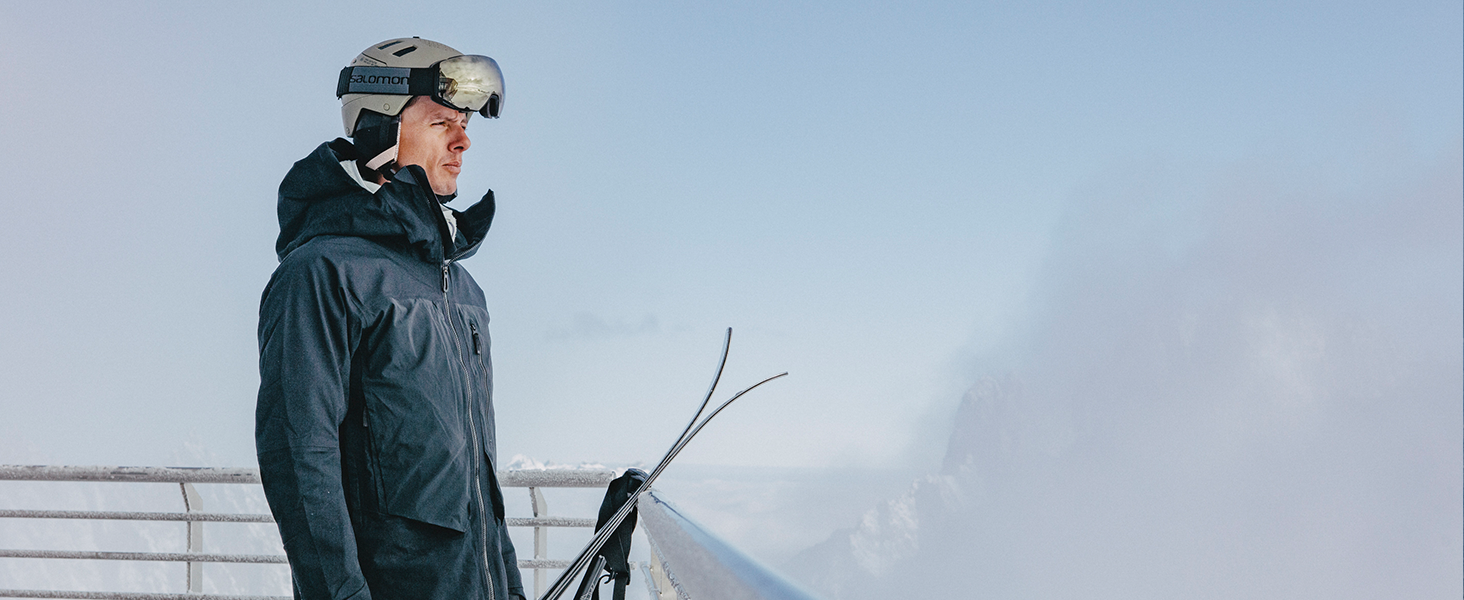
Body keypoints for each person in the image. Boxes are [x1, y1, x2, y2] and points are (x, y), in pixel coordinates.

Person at [255, 37, 524, 600]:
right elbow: (300, 457)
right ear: (380, 127)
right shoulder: (322, 273)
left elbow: (478, 481)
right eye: (440, 122)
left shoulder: (461, 287)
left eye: (466, 121)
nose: (464, 139)